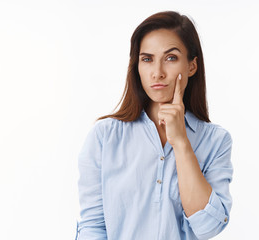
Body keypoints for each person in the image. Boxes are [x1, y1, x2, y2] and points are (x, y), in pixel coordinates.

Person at [75, 11, 233, 240]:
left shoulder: (216, 141)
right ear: (137, 67)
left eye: (170, 58)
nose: (157, 73)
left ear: (192, 66)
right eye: (147, 59)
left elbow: (208, 227)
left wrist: (180, 142)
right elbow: (93, 227)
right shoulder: (104, 137)